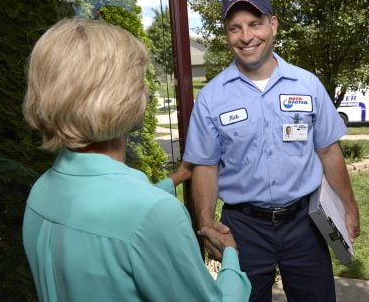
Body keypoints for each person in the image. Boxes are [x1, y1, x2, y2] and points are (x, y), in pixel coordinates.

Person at [22, 18, 251, 302]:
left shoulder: (41, 191)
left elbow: (106, 211)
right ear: (114, 96)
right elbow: (137, 219)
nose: (147, 90)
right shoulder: (154, 214)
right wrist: (230, 257)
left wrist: (176, 178)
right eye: (139, 79)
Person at [184, 0, 360, 302]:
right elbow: (205, 166)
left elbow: (328, 151)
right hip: (243, 229)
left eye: (255, 24)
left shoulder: (307, 85)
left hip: (305, 225)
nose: (246, 36)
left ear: (273, 25)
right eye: (235, 28)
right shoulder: (212, 97)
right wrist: (207, 223)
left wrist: (349, 207)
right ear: (226, 34)